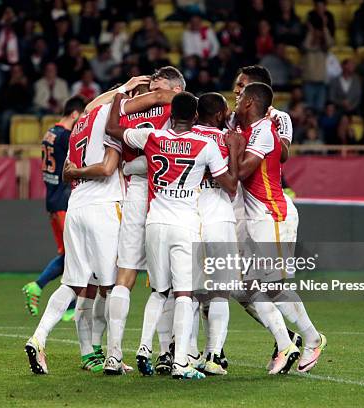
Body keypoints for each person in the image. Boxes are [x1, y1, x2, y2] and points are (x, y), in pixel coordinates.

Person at [106, 91, 240, 380]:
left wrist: (119, 98)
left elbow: (113, 128)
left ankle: (143, 348)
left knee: (158, 292)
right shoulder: (204, 144)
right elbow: (230, 184)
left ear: (171, 115)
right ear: (194, 116)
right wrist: (234, 150)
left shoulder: (152, 137)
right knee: (183, 294)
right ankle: (181, 363)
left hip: (154, 223)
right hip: (184, 225)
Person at [23, 77, 152, 376]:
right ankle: (110, 355)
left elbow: (69, 173)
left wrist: (123, 87)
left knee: (74, 284)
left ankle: (39, 338)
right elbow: (108, 168)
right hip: (104, 209)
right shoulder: (115, 120)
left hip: (76, 207)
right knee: (111, 287)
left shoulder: (80, 123)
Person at [234, 82, 326, 374]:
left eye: (239, 96)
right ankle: (293, 341)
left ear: (250, 102)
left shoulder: (262, 131)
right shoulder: (249, 128)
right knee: (251, 287)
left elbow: (242, 171)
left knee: (269, 287)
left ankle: (307, 340)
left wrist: (228, 143)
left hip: (273, 216)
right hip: (258, 218)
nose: (234, 100)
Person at [103, 68, 184, 376]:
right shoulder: (175, 109)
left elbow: (113, 129)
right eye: (151, 87)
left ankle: (144, 352)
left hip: (141, 190)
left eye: (158, 87)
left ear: (174, 87)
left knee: (140, 278)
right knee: (160, 280)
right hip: (163, 193)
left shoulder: (130, 110)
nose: (152, 91)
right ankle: (151, 352)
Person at [21, 96, 87, 322]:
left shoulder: (50, 133)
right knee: (75, 253)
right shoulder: (67, 137)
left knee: (68, 253)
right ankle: (42, 288)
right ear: (75, 115)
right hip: (63, 200)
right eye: (82, 117)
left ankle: (69, 302)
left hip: (51, 198)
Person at [190, 92, 235, 376]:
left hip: (190, 217)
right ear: (218, 115)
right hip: (219, 216)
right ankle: (214, 355)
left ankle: (188, 354)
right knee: (220, 291)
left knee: (190, 292)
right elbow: (233, 181)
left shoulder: (180, 135)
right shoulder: (228, 138)